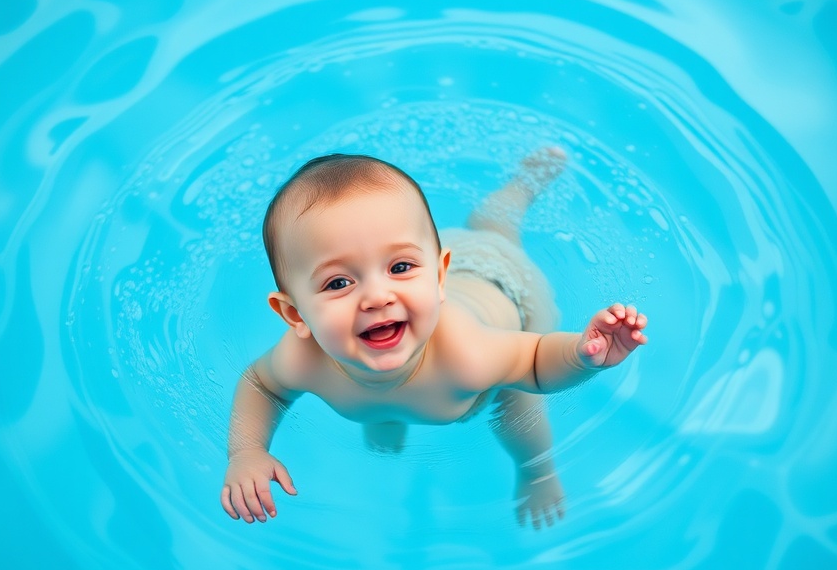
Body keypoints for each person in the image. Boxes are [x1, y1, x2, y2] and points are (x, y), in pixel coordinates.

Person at [220, 148, 648, 529]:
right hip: (441, 280)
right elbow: (261, 386)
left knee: (519, 405)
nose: (377, 296)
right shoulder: (301, 358)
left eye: (400, 268)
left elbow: (535, 361)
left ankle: (523, 184)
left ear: (438, 276)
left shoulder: (467, 355)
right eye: (338, 283)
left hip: (504, 288)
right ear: (295, 314)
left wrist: (581, 354)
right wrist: (247, 452)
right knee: (379, 396)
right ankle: (386, 410)